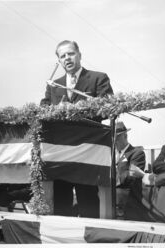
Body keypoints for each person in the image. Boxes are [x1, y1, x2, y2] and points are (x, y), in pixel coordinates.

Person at [40, 40, 113, 218]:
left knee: (88, 201)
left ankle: (93, 243)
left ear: (79, 54)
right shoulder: (53, 84)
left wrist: (80, 109)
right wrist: (56, 110)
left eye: (70, 54)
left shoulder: (98, 78)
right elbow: (43, 106)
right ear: (59, 61)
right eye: (62, 56)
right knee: (61, 203)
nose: (67, 58)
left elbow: (109, 105)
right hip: (61, 152)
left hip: (88, 151)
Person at [115, 121, 147, 220]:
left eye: (117, 138)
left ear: (125, 136)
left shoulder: (137, 153)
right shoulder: (112, 154)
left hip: (128, 203)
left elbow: (131, 175)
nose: (114, 141)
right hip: (110, 201)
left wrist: (112, 180)